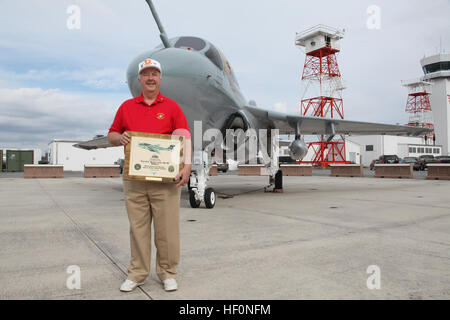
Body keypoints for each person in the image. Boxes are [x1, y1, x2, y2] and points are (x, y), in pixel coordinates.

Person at [108, 58, 191, 292]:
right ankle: (137, 273)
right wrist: (119, 138)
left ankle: (167, 272)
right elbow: (112, 134)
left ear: (160, 78)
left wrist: (186, 165)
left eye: (154, 74)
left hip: (164, 181)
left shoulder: (172, 107)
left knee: (167, 230)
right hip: (134, 180)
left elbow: (184, 136)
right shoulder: (126, 106)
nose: (150, 78)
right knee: (138, 228)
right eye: (146, 74)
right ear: (139, 79)